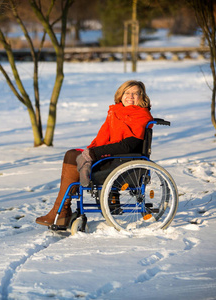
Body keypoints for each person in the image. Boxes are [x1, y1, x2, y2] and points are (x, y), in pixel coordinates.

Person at [35, 80, 154, 227]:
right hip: (112, 157)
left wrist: (95, 153)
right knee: (71, 154)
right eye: (127, 92)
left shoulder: (142, 115)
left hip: (121, 161)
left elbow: (129, 145)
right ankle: (62, 210)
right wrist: (91, 151)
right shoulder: (116, 112)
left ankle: (61, 212)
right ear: (120, 95)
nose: (131, 96)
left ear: (142, 97)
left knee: (74, 157)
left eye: (136, 93)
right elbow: (102, 138)